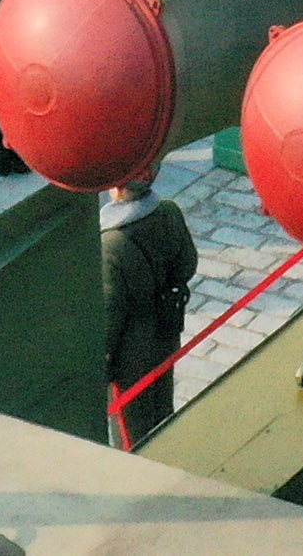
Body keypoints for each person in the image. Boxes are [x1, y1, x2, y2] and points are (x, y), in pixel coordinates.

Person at [100, 177, 197, 440]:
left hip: (130, 353)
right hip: (166, 330)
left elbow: (110, 315)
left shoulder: (110, 245)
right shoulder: (169, 212)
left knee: (131, 427)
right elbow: (188, 264)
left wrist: (102, 361)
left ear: (117, 190)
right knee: (163, 406)